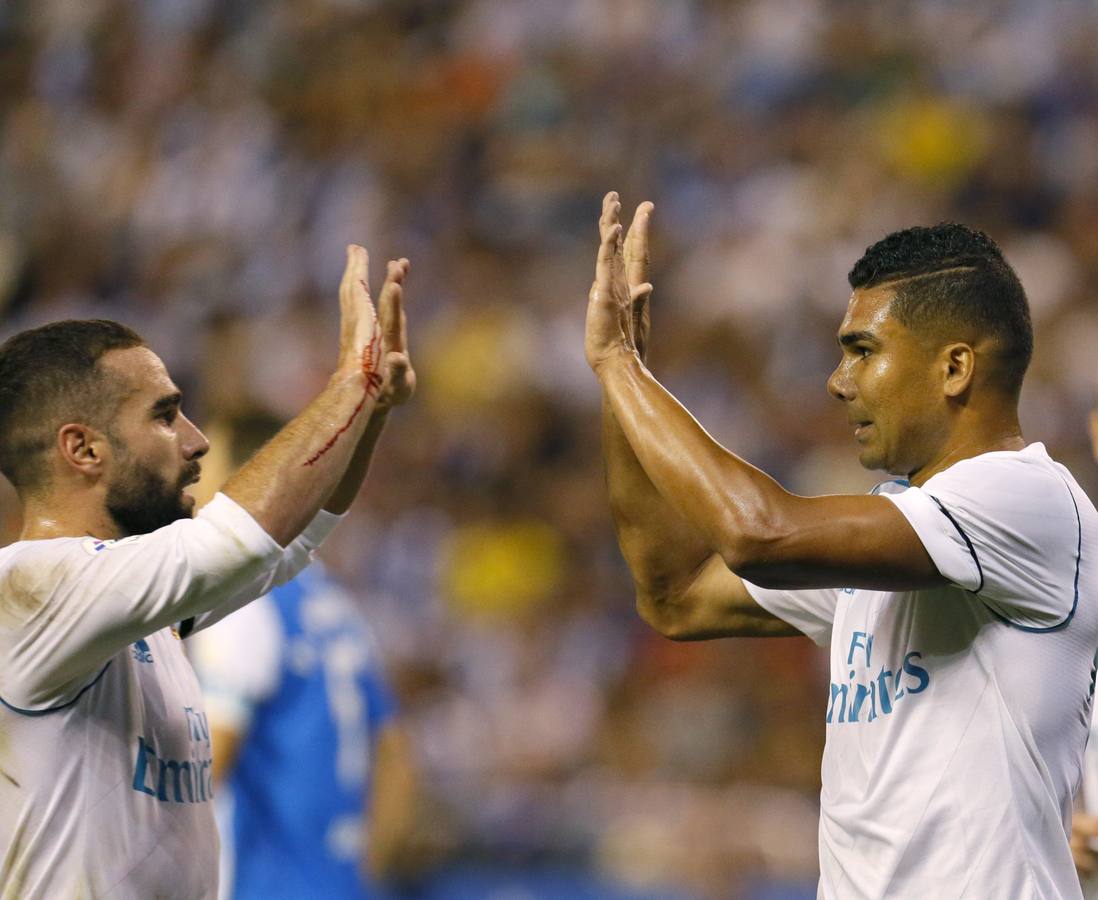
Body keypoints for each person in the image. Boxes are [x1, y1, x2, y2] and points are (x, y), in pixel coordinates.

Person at [586, 192, 1098, 899]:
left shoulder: (1024, 499)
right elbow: (676, 595)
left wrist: (619, 367)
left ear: (954, 368)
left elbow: (760, 534)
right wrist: (628, 387)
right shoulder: (905, 531)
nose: (838, 382)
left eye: (863, 351)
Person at [0, 246, 415, 899]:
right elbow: (234, 544)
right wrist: (349, 383)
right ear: (82, 448)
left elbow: (289, 544)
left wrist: (371, 409)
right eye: (164, 416)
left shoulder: (134, 607)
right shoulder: (34, 587)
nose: (196, 441)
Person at [188, 413, 417, 899]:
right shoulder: (334, 605)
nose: (193, 485)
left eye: (205, 466)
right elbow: (395, 756)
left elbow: (206, 764)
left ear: (245, 478)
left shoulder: (244, 602)